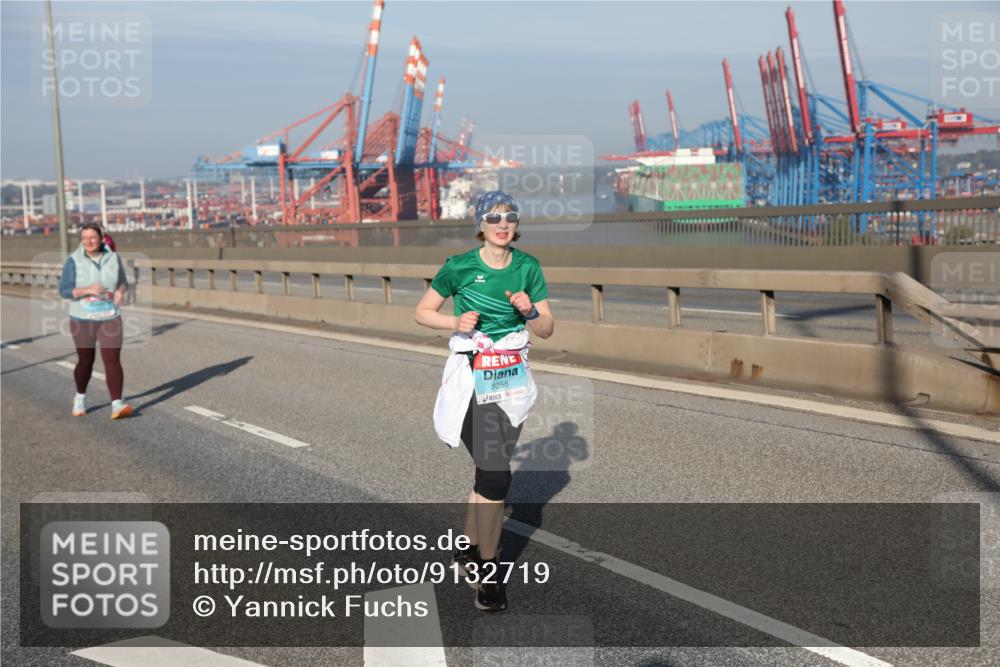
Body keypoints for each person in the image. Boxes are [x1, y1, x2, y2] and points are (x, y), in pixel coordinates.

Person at [415, 190, 555, 611]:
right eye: (494, 216)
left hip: (512, 381)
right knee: (496, 476)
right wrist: (453, 321)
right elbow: (422, 311)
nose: (502, 223)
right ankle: (490, 574)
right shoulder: (459, 266)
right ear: (481, 224)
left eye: (510, 215)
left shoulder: (528, 266)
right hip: (472, 379)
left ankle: (468, 546)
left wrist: (530, 312)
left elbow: (547, 329)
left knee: (487, 475)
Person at [58, 223, 132, 420]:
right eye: (84, 238)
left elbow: (123, 282)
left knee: (113, 360)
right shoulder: (73, 261)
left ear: (101, 238)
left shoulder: (113, 258)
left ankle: (117, 404)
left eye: (92, 237)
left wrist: (120, 292)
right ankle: (80, 397)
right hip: (83, 319)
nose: (89, 242)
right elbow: (64, 290)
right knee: (86, 361)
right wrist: (87, 290)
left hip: (110, 316)